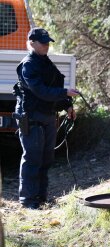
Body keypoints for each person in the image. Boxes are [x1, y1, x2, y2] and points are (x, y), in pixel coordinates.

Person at [14, 27, 80, 209]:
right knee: (32, 159)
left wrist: (67, 105)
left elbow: (53, 87)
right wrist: (64, 92)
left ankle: (41, 198)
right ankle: (28, 201)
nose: (46, 46)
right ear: (32, 43)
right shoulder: (28, 64)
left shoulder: (46, 62)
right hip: (31, 117)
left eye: (47, 43)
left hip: (48, 117)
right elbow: (41, 91)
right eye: (42, 43)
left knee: (46, 159)